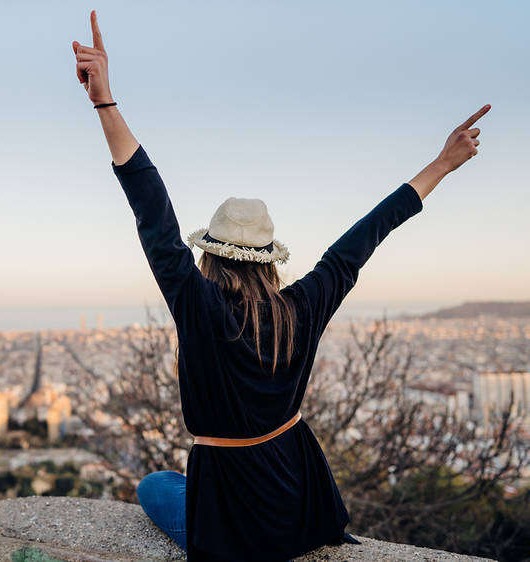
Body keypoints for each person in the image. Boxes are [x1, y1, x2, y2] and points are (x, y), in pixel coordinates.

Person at [72, 9, 489, 561]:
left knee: (155, 485)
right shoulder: (303, 306)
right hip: (302, 504)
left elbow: (152, 209)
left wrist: (105, 101)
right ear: (269, 260)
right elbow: (366, 236)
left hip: (235, 519)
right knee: (167, 485)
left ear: (210, 257)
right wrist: (441, 164)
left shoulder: (201, 308)